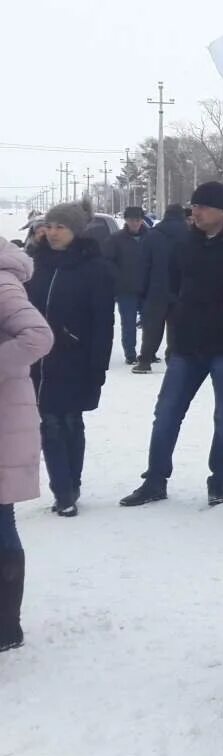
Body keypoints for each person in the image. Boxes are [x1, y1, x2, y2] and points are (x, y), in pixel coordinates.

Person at [120, 184, 223, 508]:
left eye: (203, 207)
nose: (196, 212)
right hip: (186, 345)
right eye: (194, 206)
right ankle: (155, 479)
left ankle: (220, 481)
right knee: (166, 412)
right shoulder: (185, 244)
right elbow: (174, 285)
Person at [25, 203, 115, 517]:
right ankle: (62, 492)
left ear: (75, 230)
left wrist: (98, 366)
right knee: (50, 423)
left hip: (76, 359)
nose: (52, 232)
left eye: (60, 227)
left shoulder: (94, 267)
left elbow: (104, 321)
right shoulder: (38, 263)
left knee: (71, 423)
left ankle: (72, 484)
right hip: (40, 361)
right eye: (49, 226)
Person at [0, 240, 53, 651]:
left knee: (1, 520)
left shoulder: (3, 282)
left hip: (4, 418)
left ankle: (6, 626)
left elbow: (38, 336)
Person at [133, 204, 188, 374]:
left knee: (152, 328)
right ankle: (174, 359)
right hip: (182, 290)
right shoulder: (190, 235)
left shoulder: (151, 236)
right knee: (177, 328)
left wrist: (141, 290)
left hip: (156, 289)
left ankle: (145, 361)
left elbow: (143, 265)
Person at [103, 206, 149, 366]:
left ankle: (148, 352)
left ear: (142, 220)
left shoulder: (151, 237)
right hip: (126, 289)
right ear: (126, 220)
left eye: (137, 220)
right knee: (128, 323)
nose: (135, 223)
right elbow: (107, 261)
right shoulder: (116, 239)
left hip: (147, 288)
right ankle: (130, 353)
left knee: (150, 322)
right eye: (131, 220)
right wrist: (118, 277)